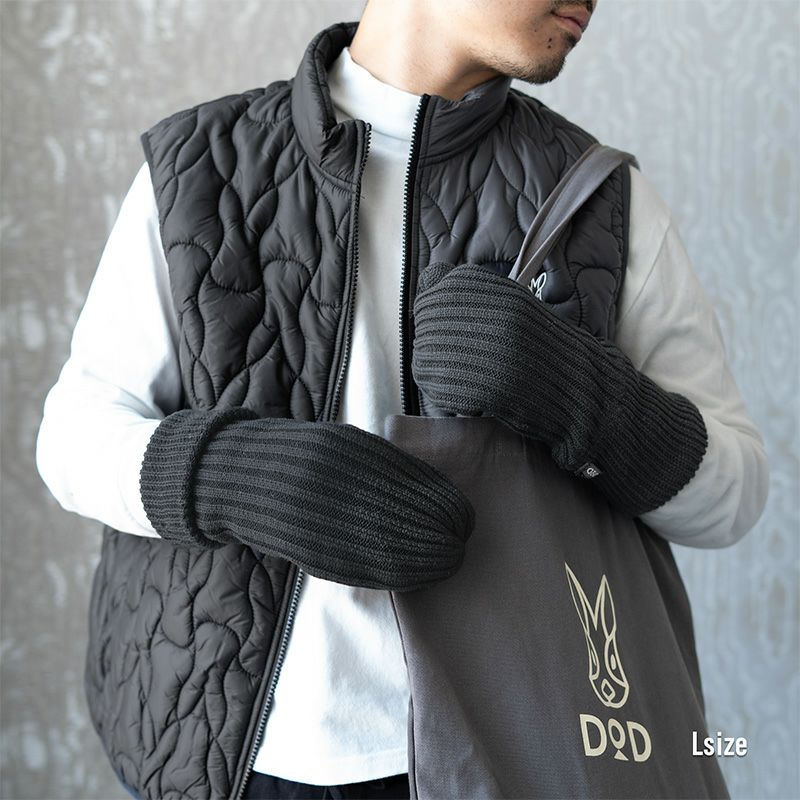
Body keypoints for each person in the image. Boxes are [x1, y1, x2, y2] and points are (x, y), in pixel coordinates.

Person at [36, 0, 769, 798]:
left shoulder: (601, 199)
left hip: (506, 757)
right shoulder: (199, 165)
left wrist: (581, 394)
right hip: (224, 752)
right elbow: (72, 438)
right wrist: (233, 474)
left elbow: (731, 498)